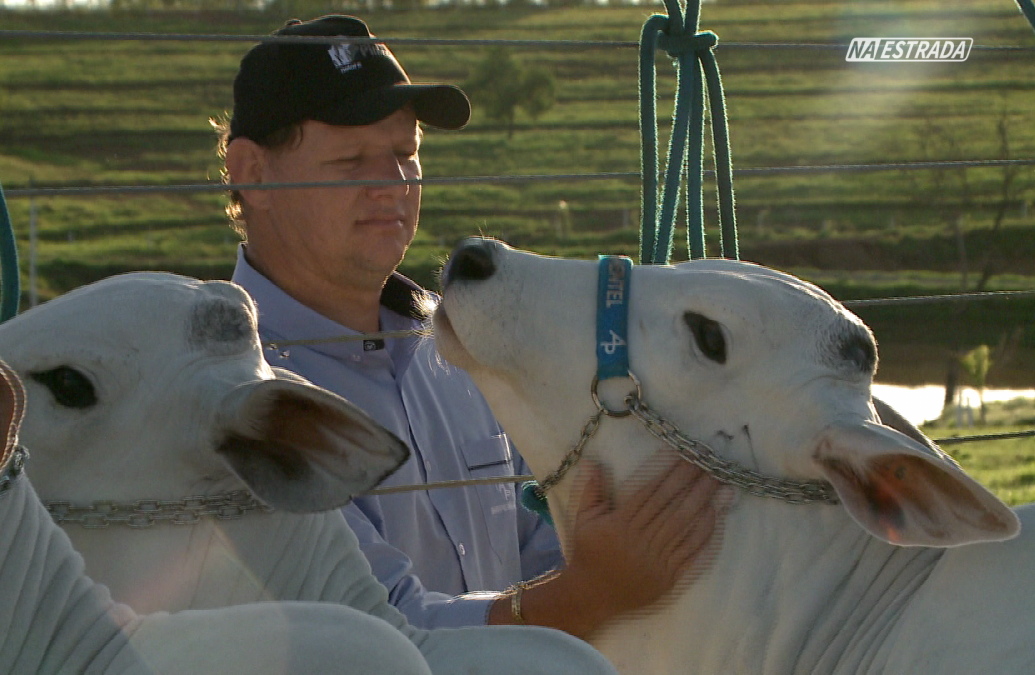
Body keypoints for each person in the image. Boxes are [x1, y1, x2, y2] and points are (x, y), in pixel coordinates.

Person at [216, 14, 724, 638]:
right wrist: (592, 591)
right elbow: (380, 632)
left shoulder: (460, 347)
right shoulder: (235, 397)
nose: (392, 185)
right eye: (351, 160)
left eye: (406, 154)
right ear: (252, 174)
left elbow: (536, 549)